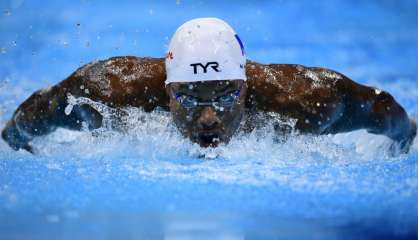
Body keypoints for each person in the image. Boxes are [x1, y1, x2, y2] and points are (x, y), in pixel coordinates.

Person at [1, 18, 416, 155]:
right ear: (166, 89)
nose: (207, 117)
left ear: (245, 84)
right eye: (187, 97)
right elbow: (23, 125)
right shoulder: (107, 93)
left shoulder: (307, 100)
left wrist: (405, 144)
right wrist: (18, 145)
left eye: (224, 95)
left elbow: (390, 116)